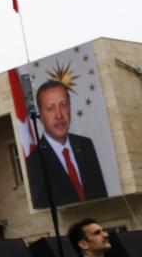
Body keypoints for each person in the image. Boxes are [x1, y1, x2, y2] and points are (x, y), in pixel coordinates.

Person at [25, 80, 107, 208]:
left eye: (63, 105)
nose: (59, 115)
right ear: (40, 117)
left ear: (70, 108)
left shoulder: (86, 145)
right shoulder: (34, 161)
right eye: (50, 108)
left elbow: (101, 197)